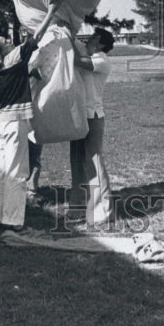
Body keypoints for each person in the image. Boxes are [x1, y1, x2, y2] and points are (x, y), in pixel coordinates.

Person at [0, 2, 60, 233]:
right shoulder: (12, 59)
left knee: (1, 172)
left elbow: (25, 70)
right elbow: (37, 37)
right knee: (17, 173)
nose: (9, 41)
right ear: (2, 51)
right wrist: (51, 12)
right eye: (5, 42)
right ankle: (14, 221)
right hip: (13, 122)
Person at [67, 27, 115, 229]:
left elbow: (78, 60)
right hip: (79, 115)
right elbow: (75, 49)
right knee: (77, 161)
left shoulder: (102, 59)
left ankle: (104, 209)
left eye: (94, 37)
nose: (89, 39)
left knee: (93, 160)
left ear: (102, 43)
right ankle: (78, 206)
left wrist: (68, 38)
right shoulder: (89, 53)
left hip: (94, 117)